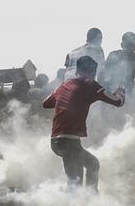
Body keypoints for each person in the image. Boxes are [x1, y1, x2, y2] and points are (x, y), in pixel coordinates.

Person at [43, 55, 124, 188]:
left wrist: (63, 93)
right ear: (93, 72)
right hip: (69, 142)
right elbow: (118, 102)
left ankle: (91, 198)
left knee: (93, 164)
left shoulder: (64, 86)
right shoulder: (91, 85)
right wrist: (121, 92)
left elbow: (46, 103)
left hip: (57, 141)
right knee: (75, 184)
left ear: (76, 71)